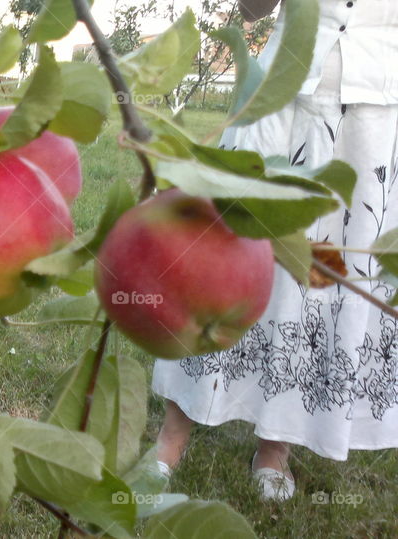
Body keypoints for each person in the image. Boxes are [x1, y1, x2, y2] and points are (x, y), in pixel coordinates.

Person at [152, 0, 398, 501]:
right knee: (230, 255)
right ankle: (173, 434)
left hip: (375, 112)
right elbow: (252, 8)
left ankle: (275, 444)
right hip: (282, 97)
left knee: (326, 271)